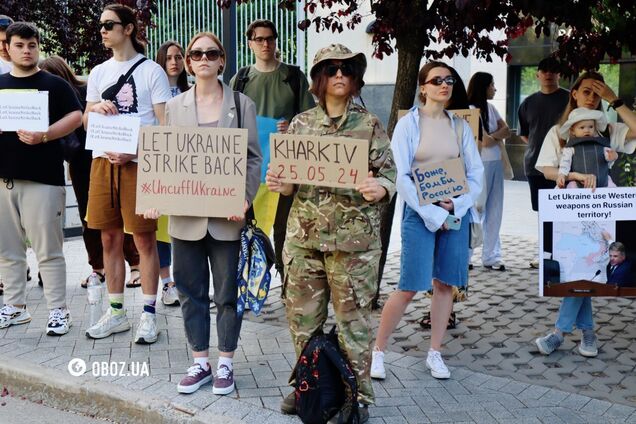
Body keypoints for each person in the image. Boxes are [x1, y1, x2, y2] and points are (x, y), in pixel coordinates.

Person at [266, 44, 395, 422]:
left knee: (353, 324)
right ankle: (309, 385)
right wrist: (279, 182)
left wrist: (381, 188)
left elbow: (390, 174)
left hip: (353, 246)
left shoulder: (369, 124)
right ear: (319, 78)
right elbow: (290, 185)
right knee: (303, 321)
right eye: (331, 68)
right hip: (305, 241)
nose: (340, 74)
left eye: (347, 69)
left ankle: (357, 396)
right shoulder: (302, 125)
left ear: (356, 78)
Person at [144, 31, 261, 395]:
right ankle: (200, 362)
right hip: (185, 220)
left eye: (211, 53)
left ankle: (225, 361)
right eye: (196, 53)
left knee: (227, 294)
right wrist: (154, 195)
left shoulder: (242, 105)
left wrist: (243, 196)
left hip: (227, 218)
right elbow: (164, 158)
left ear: (222, 60)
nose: (203, 58)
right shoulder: (175, 107)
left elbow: (254, 159)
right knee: (190, 291)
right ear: (189, 62)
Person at [371, 61, 483, 382]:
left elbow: (476, 175)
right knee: (409, 285)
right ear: (423, 87)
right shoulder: (409, 124)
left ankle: (435, 352)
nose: (444, 85)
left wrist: (455, 206)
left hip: (455, 215)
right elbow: (401, 175)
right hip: (419, 215)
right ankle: (378, 351)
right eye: (436, 80)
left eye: (449, 80)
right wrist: (434, 213)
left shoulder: (460, 126)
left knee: (445, 283)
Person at [83, 4, 171, 343]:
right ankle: (116, 312)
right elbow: (86, 121)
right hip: (103, 161)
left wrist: (136, 152)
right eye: (101, 25)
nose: (103, 30)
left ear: (129, 28)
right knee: (108, 238)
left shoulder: (152, 72)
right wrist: (97, 111)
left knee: (145, 239)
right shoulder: (98, 72)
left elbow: (166, 128)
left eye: (110, 24)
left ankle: (149, 315)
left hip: (139, 164)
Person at [534, 70, 636, 358]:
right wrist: (574, 173)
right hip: (569, 208)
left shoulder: (608, 130)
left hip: (602, 210)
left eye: (597, 91)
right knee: (578, 268)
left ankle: (559, 333)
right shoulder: (561, 132)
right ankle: (587, 334)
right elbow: (547, 168)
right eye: (586, 91)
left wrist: (615, 101)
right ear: (574, 94)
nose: (592, 97)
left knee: (587, 267)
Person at [0, 22, 82, 334]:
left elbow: (75, 117)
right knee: (7, 250)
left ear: (38, 47)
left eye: (32, 45)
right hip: (3, 179)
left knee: (48, 249)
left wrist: (45, 135)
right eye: (20, 45)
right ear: (8, 47)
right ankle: (15, 306)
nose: (26, 51)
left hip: (44, 180)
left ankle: (58, 310)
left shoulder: (54, 84)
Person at [39, 56, 141, 291]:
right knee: (89, 217)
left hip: (102, 156)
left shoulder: (85, 91)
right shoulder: (45, 98)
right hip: (78, 161)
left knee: (120, 215)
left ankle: (135, 264)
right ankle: (97, 267)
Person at [230, 19, 315, 282]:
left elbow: (311, 120)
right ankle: (250, 281)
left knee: (284, 229)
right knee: (247, 230)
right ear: (250, 43)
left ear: (276, 41)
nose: (265, 44)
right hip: (249, 169)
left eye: (270, 38)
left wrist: (293, 126)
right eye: (259, 39)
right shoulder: (241, 79)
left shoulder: (293, 77)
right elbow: (229, 121)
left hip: (283, 170)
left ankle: (288, 283)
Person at [518, 57, 569, 268]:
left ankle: (564, 252)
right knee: (544, 212)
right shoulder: (528, 102)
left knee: (565, 211)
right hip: (535, 167)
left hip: (565, 168)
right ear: (537, 74)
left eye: (553, 71)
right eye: (544, 70)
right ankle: (545, 253)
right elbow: (525, 134)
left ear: (560, 74)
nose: (549, 74)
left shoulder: (570, 99)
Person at [153, 40, 190, 306]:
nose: (174, 62)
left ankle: (187, 280)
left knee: (186, 224)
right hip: (159, 164)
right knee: (161, 228)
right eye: (169, 58)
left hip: (187, 166)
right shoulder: (153, 90)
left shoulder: (193, 90)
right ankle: (167, 283)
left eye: (178, 57)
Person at [467, 72, 511, 271]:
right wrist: (494, 136)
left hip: (495, 163)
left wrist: (491, 136)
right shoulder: (470, 110)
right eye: (492, 84)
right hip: (478, 165)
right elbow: (483, 141)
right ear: (483, 86)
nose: (495, 88)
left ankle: (491, 256)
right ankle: (466, 255)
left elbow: (507, 130)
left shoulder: (491, 108)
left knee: (495, 210)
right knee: (475, 208)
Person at [556, 108, 617, 188]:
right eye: (582, 127)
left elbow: (608, 164)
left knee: (613, 192)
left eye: (590, 127)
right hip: (578, 183)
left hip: (603, 182)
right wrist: (562, 175)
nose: (587, 130)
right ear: (573, 130)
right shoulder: (570, 148)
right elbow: (565, 163)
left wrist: (612, 157)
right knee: (571, 190)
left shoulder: (601, 144)